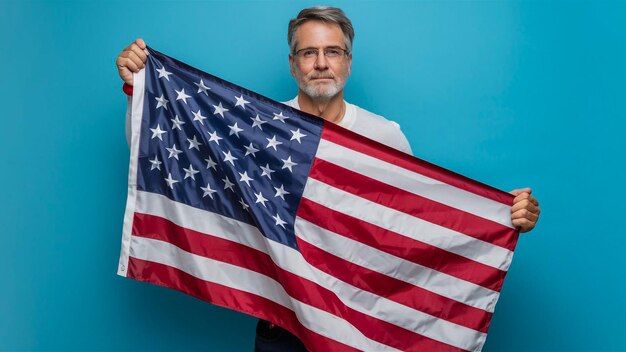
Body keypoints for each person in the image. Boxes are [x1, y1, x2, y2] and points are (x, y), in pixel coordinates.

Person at [116, 6, 541, 351]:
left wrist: (496, 216)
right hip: (283, 325)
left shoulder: (385, 136)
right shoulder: (258, 130)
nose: (321, 63)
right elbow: (171, 156)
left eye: (333, 52)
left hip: (361, 324)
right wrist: (142, 89)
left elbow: (414, 226)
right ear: (293, 63)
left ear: (348, 62)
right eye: (309, 53)